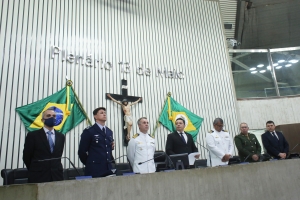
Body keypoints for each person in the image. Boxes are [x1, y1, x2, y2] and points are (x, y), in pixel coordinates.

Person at [23, 108, 65, 183]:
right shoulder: (33, 135)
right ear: (43, 120)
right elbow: (27, 156)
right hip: (38, 175)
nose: (52, 117)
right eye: (48, 115)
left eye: (54, 116)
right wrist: (35, 168)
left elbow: (58, 155)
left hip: (57, 176)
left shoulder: (61, 136)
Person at [78, 107, 115, 177]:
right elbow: (82, 151)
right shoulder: (89, 131)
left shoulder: (109, 131)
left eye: (105, 113)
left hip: (108, 168)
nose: (104, 114)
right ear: (95, 116)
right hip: (95, 169)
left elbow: (108, 149)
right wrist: (90, 163)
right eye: (101, 113)